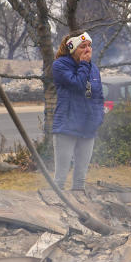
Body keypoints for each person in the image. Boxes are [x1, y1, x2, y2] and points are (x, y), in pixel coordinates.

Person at [51, 31, 104, 192]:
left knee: (80, 179)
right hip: (67, 127)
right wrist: (83, 64)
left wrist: (98, 117)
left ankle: (77, 212)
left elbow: (98, 96)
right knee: (60, 178)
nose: (88, 50)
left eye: (89, 45)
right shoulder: (60, 65)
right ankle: (56, 210)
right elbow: (78, 85)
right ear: (72, 48)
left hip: (88, 128)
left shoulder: (93, 68)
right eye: (83, 46)